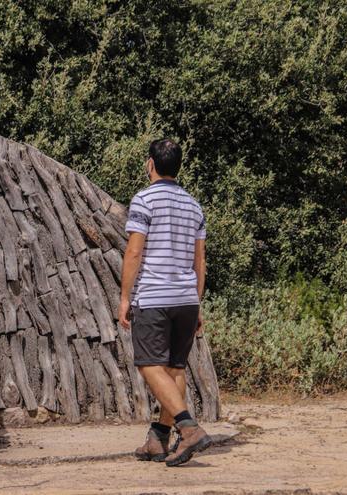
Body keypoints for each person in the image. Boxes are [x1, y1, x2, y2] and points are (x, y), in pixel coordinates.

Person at [117, 138, 211, 467]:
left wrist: (125, 296)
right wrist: (197, 302)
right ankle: (158, 438)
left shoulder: (144, 200)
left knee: (148, 364)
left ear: (150, 164)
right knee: (175, 368)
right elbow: (200, 260)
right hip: (186, 298)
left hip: (155, 296)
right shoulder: (194, 206)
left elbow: (134, 251)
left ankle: (188, 428)